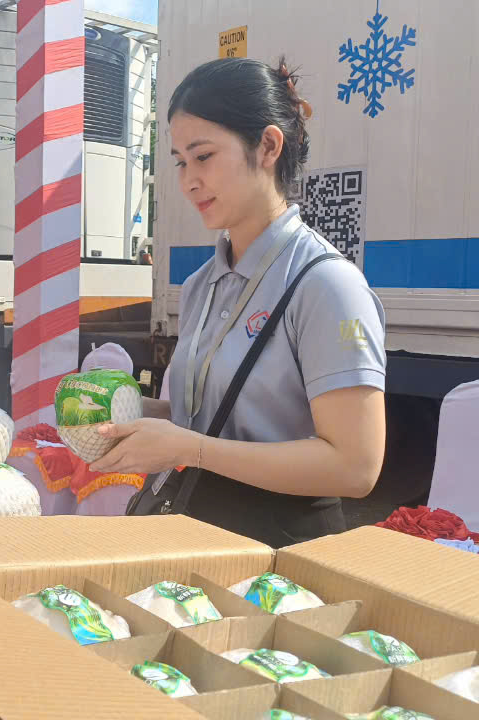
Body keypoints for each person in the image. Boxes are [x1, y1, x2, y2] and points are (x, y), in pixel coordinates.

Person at [88, 58, 388, 547]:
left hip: (279, 559)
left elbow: (355, 467)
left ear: (268, 146)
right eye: (181, 161)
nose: (187, 180)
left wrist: (194, 449)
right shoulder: (202, 285)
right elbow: (204, 420)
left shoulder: (327, 285)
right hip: (193, 540)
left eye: (203, 156)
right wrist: (118, 412)